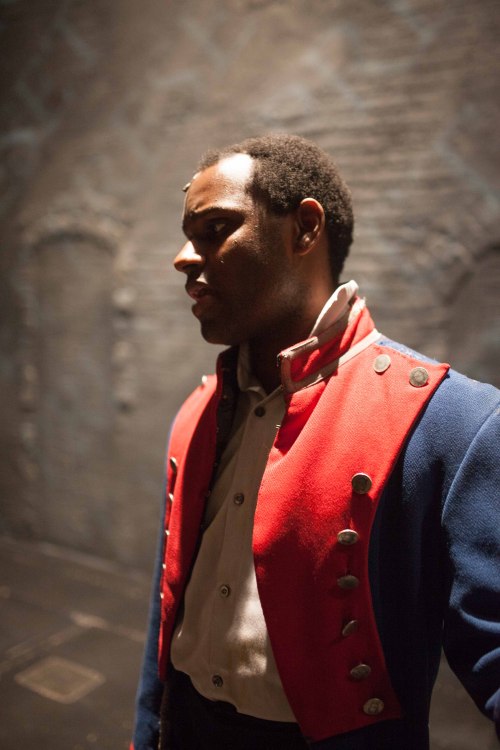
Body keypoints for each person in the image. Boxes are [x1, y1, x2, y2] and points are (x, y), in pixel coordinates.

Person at [131, 134, 499, 750]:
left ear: (304, 228)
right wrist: (146, 732)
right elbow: (169, 606)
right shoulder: (197, 412)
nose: (182, 259)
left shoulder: (447, 419)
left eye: (215, 228)